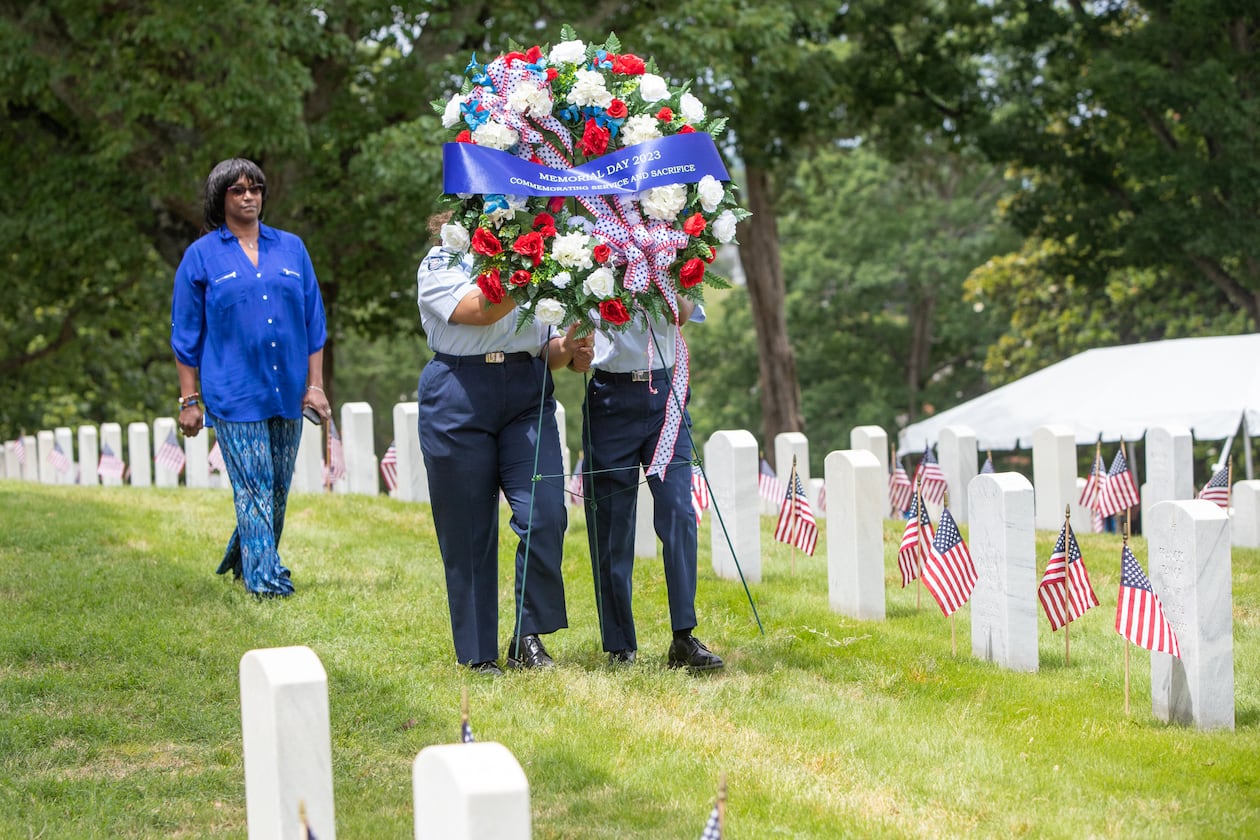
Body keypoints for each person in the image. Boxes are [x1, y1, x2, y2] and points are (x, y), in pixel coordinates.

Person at [416, 214, 593, 675]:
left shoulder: (537, 256)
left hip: (525, 392)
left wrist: (572, 345)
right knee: (468, 528)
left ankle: (527, 636)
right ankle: (478, 654)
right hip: (458, 391)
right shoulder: (442, 260)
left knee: (546, 513)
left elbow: (547, 350)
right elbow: (480, 311)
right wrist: (533, 268)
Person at [170, 158, 331, 597]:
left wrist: (315, 386)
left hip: (287, 390)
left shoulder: (292, 248)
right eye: (238, 190)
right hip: (233, 392)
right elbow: (185, 335)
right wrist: (189, 401)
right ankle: (266, 581)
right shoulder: (201, 256)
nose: (248, 197)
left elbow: (314, 324)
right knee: (254, 487)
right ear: (220, 199)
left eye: (255, 189)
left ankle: (242, 559)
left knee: (276, 490)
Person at [582, 303, 724, 671]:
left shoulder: (673, 251)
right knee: (613, 521)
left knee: (678, 510)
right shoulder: (590, 252)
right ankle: (620, 645)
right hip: (610, 395)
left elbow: (687, 310)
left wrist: (665, 269)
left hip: (664, 394)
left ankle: (684, 636)